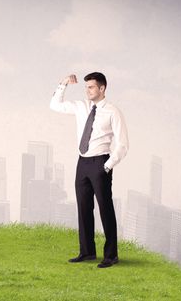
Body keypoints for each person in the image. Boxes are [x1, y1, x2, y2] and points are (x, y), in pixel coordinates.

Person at [50, 72, 129, 268]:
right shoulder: (81, 107)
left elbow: (123, 144)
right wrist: (63, 84)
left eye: (91, 87)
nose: (87, 91)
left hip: (101, 162)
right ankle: (87, 252)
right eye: (86, 87)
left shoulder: (113, 111)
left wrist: (107, 166)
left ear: (102, 89)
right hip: (82, 162)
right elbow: (54, 105)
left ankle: (111, 255)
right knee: (84, 208)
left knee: (105, 209)